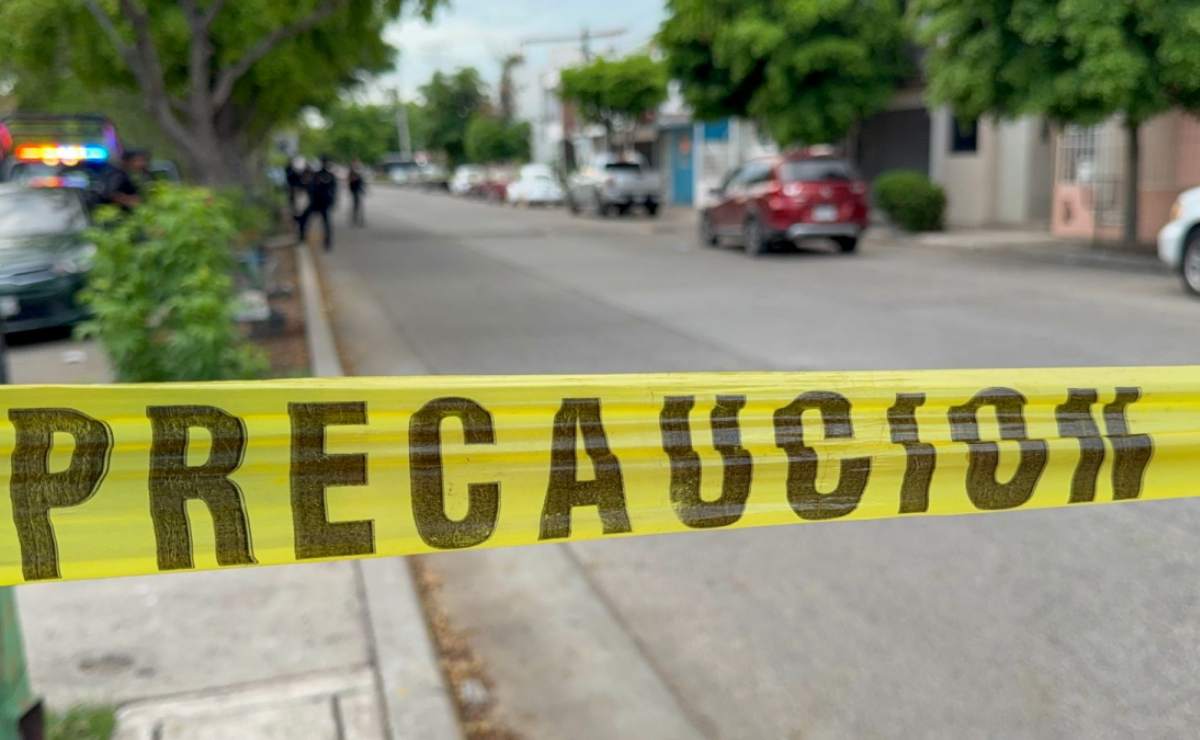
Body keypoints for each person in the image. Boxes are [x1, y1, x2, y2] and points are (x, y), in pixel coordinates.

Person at [299, 156, 338, 251]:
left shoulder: (320, 175)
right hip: (319, 203)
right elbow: (333, 191)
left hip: (319, 203)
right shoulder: (324, 175)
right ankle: (303, 237)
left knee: (307, 219)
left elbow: (310, 187)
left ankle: (303, 238)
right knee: (306, 219)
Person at [348, 161, 367, 227]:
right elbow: (351, 182)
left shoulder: (358, 173)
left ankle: (360, 220)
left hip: (358, 191)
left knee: (360, 206)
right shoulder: (352, 173)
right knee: (355, 206)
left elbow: (362, 182)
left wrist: (364, 190)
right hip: (354, 191)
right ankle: (355, 220)